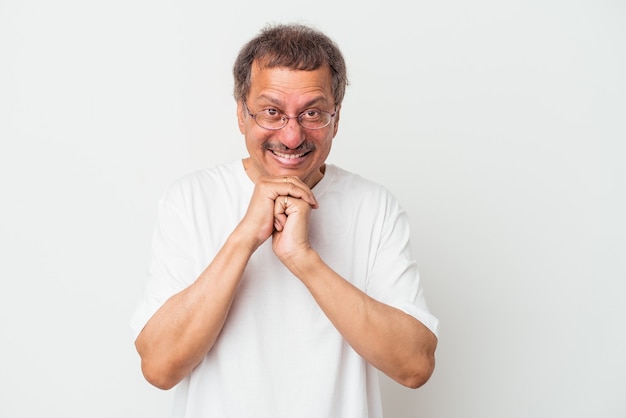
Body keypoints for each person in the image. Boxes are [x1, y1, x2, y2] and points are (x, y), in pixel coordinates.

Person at [130, 22, 439, 418]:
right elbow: (159, 367)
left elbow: (414, 366)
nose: (292, 136)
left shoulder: (374, 206)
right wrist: (244, 237)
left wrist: (302, 258)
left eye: (312, 113)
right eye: (272, 112)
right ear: (242, 114)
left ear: (336, 118)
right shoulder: (189, 199)